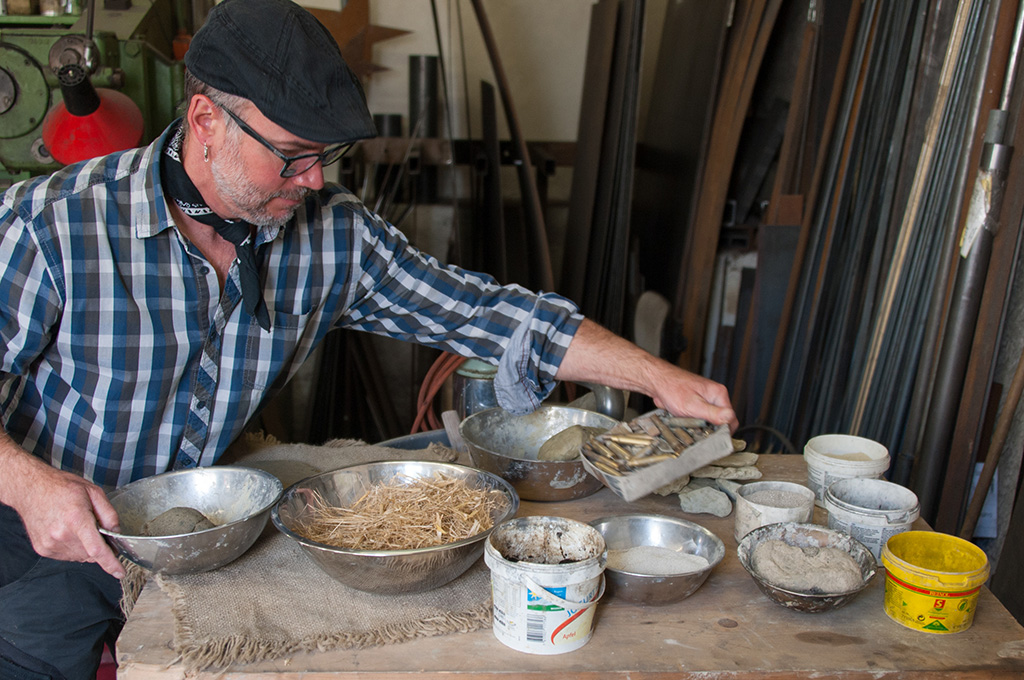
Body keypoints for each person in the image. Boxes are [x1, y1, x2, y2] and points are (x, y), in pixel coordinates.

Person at [0, 0, 736, 676]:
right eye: (293, 155)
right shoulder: (54, 226)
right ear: (204, 121)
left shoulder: (329, 236)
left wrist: (654, 376)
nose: (316, 181)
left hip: (209, 542)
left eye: (328, 156)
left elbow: (484, 312)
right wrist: (31, 486)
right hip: (40, 550)